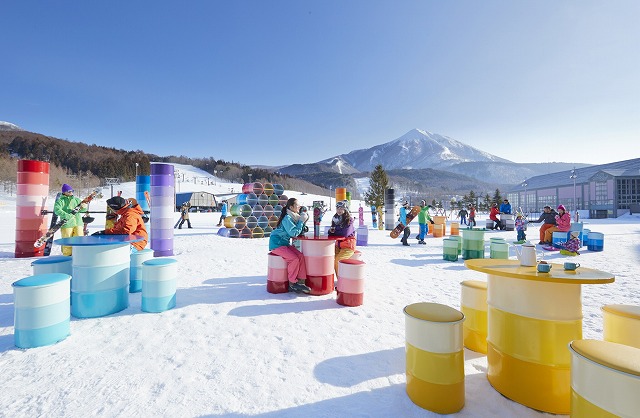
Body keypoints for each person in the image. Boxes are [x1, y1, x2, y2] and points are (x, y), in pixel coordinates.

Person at [268, 197, 310, 293]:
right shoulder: (287, 218)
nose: (299, 207)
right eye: (297, 205)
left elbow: (298, 231)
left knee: (300, 256)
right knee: (294, 259)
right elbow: (293, 233)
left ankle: (301, 282)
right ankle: (292, 283)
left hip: (284, 243)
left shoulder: (294, 217)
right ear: (291, 207)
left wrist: (303, 222)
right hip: (277, 243)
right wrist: (301, 222)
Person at [54, 184, 87, 256]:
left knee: (79, 239)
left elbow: (82, 210)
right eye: (69, 191)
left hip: (78, 223)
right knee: (67, 241)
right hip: (67, 224)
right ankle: (67, 256)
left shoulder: (76, 200)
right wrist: (66, 215)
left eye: (72, 191)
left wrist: (84, 207)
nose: (71, 192)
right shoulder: (61, 201)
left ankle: (79, 255)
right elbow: (56, 210)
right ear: (64, 192)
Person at [328, 200, 356, 272]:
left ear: (345, 209)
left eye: (341, 208)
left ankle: (342, 280)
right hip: (338, 245)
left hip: (348, 246)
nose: (339, 210)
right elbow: (331, 232)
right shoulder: (335, 219)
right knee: (328, 257)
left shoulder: (349, 220)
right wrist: (332, 231)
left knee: (338, 261)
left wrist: (335, 230)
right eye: (337, 208)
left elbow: (345, 234)